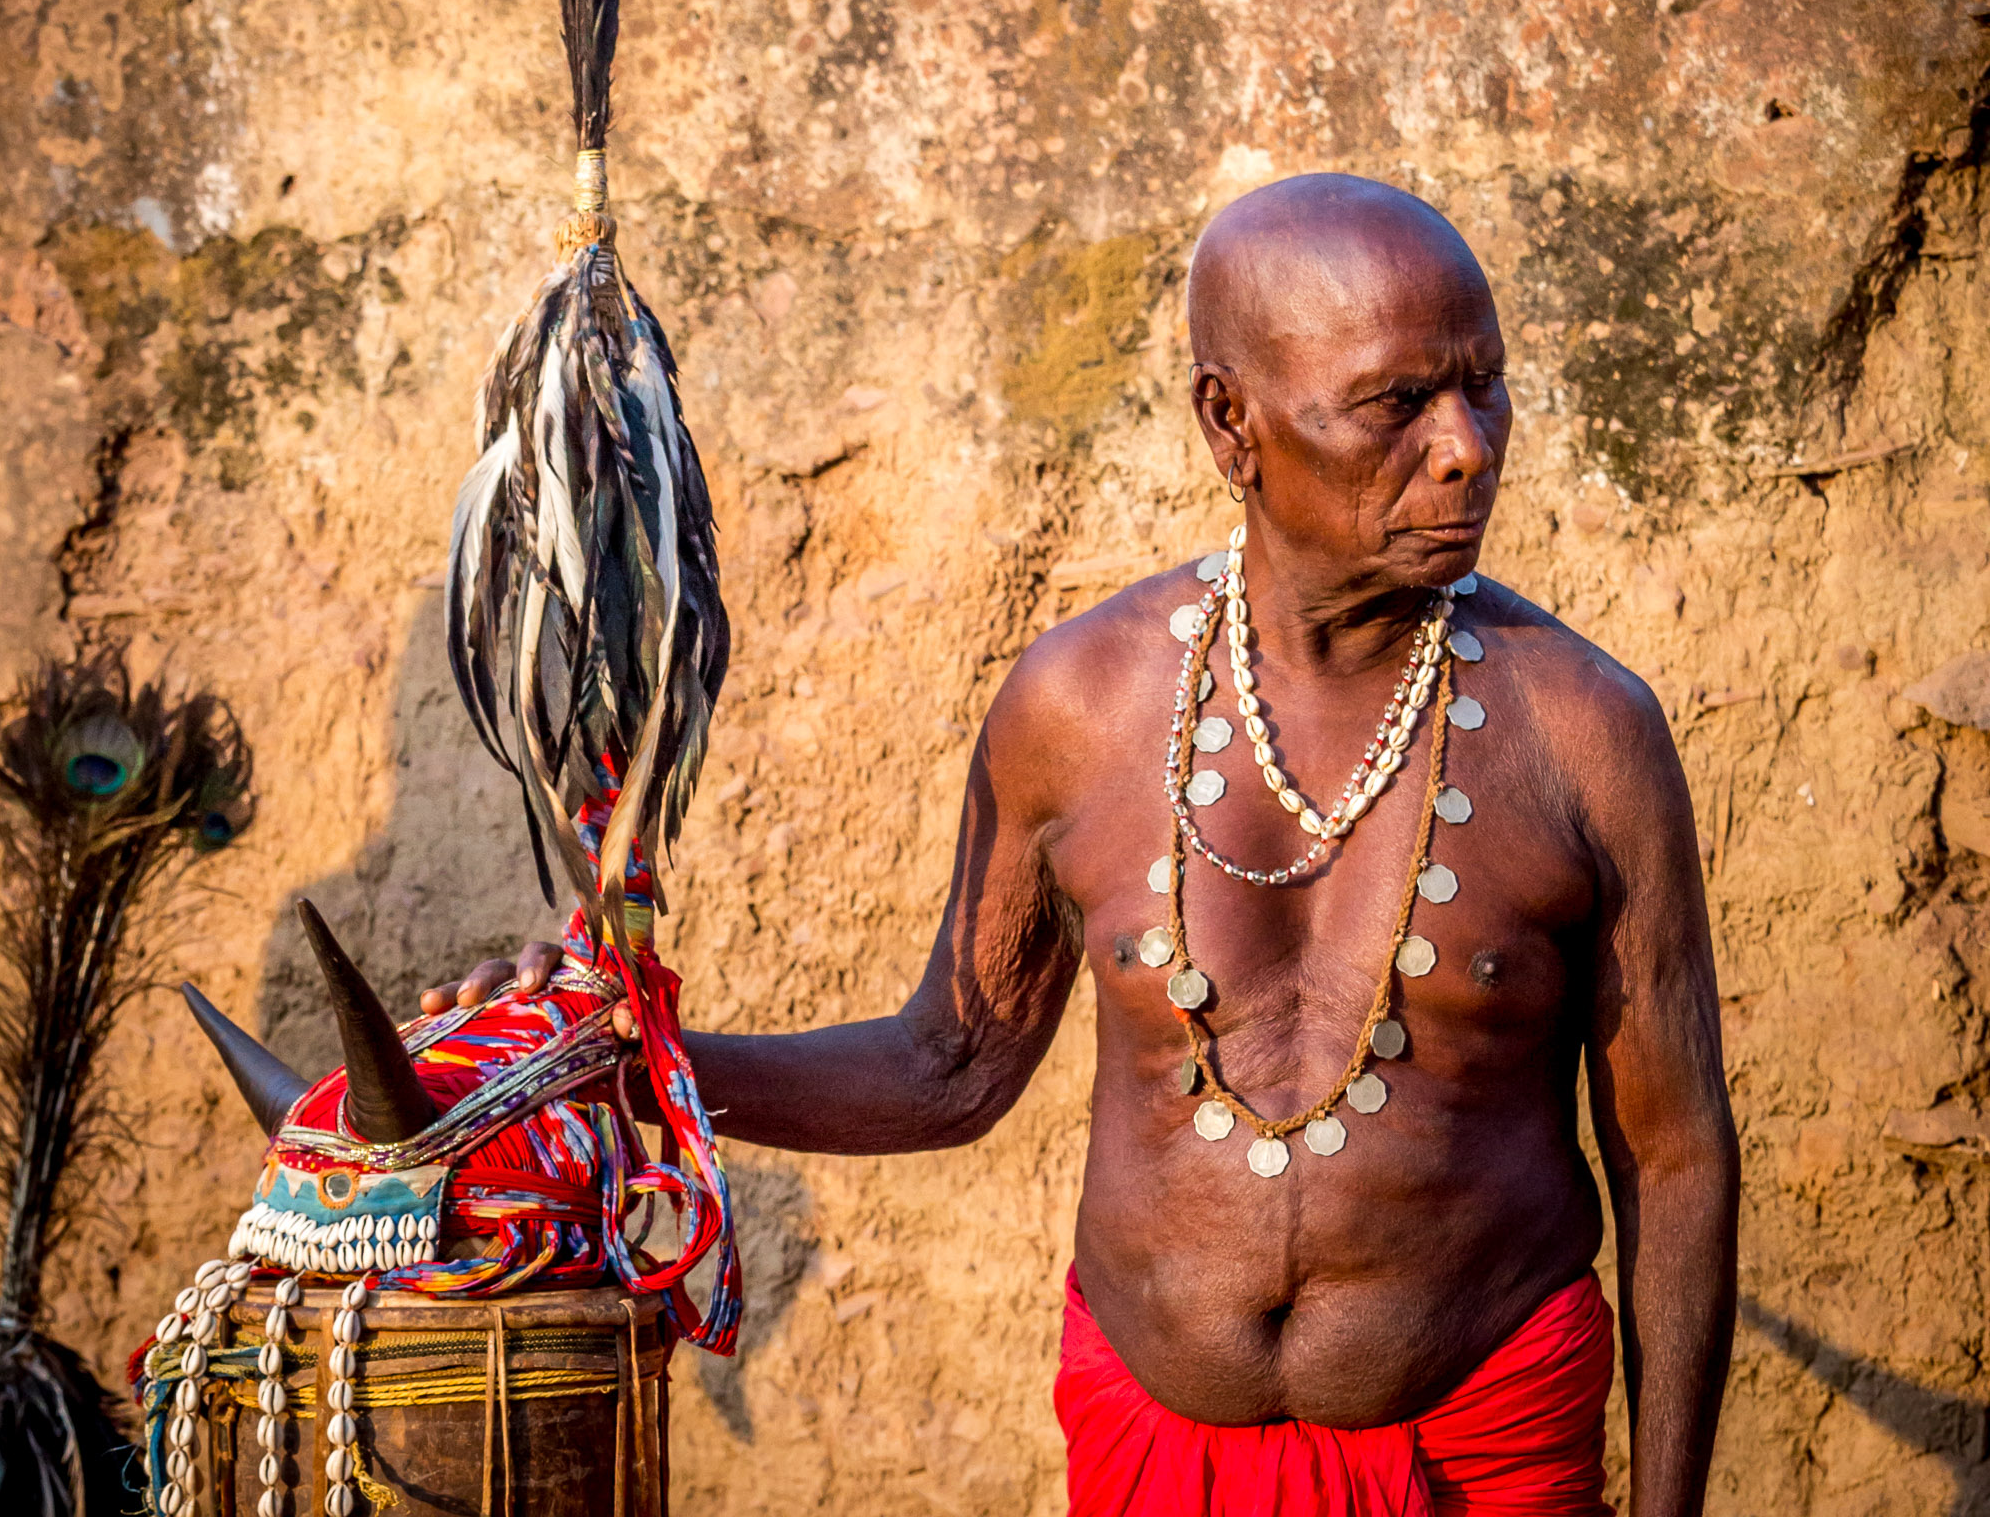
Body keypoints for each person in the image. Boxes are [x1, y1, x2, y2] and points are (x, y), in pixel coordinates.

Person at [424, 174, 1739, 1516]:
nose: (1465, 446)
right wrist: (628, 1063)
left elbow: (1677, 1155)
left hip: (1482, 1438)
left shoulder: (1582, 731)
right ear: (1231, 421)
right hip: (1150, 1443)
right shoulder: (1080, 711)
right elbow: (950, 1064)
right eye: (1396, 404)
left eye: (1484, 388)